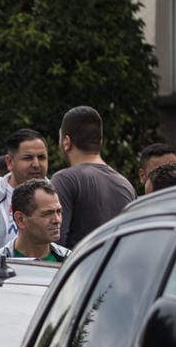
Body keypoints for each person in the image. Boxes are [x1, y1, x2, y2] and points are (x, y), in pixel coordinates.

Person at [52, 106, 135, 248]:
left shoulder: (65, 180)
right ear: (100, 141)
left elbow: (55, 244)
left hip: (78, 269)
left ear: (66, 142)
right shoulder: (126, 185)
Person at [0, 178, 70, 262]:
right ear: (20, 219)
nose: (57, 220)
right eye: (47, 214)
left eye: (59, 212)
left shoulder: (71, 262)